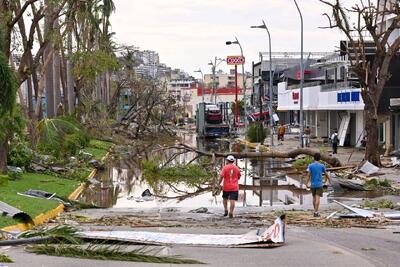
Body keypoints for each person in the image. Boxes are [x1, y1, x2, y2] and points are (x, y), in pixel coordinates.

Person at [305, 153, 332, 217]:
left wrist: (306, 183)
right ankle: (316, 212)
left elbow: (308, 175)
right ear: (319, 158)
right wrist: (330, 181)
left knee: (314, 198)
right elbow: (326, 174)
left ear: (314, 158)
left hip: (313, 185)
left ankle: (315, 211)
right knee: (318, 198)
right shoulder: (322, 166)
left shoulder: (310, 166)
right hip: (319, 185)